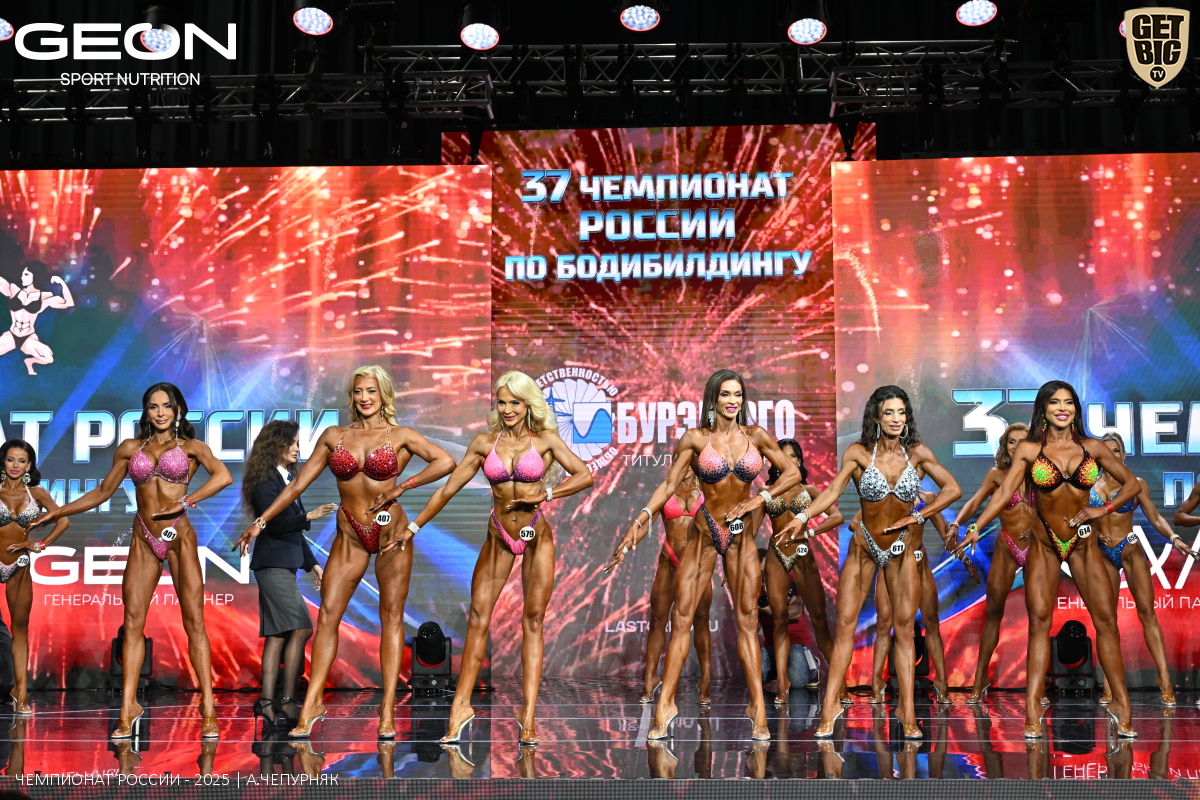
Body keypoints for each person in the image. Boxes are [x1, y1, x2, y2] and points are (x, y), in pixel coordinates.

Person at [235, 365, 455, 739]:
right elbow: (295, 487)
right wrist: (260, 522)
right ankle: (312, 704)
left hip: (391, 533)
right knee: (327, 616)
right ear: (351, 396)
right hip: (350, 534)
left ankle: (388, 710)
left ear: (383, 395)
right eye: (357, 391)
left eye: (371, 391)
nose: (364, 398)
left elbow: (445, 462)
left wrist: (403, 487)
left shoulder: (401, 435)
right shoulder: (334, 436)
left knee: (391, 618)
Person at [31, 383, 233, 739]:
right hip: (143, 537)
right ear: (146, 412)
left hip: (179, 537)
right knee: (133, 622)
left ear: (178, 411)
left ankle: (208, 707)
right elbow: (102, 492)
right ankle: (128, 707)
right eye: (153, 406)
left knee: (194, 622)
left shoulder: (192, 448)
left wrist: (185, 502)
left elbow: (224, 476)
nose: (160, 412)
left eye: (166, 406)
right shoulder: (130, 449)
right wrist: (58, 512)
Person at [403, 370, 593, 745]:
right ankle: (461, 707)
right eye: (502, 402)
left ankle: (528, 714)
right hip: (499, 536)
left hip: (536, 534)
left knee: (533, 621)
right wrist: (413, 527)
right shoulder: (483, 443)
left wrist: (545, 494)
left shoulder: (546, 440)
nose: (507, 409)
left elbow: (584, 475)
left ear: (528, 405)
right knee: (477, 617)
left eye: (514, 403)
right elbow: (447, 490)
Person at [610, 369, 801, 741]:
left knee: (747, 620)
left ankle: (758, 708)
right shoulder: (696, 438)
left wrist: (759, 500)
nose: (733, 401)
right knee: (682, 617)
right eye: (726, 394)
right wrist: (641, 518)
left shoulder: (756, 436)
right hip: (704, 530)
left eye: (738, 394)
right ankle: (666, 705)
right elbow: (669, 484)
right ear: (713, 398)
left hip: (740, 535)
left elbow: (791, 472)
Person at [956, 380, 1141, 739]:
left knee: (1106, 620)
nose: (1062, 408)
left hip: (1082, 543)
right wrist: (976, 526)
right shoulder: (1029, 450)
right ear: (1043, 408)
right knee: (1039, 622)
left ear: (1075, 409)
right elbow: (1004, 493)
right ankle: (1032, 711)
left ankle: (1121, 704)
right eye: (1055, 402)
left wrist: (1101, 509)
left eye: (1068, 402)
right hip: (1044, 543)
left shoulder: (1092, 447)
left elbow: (1131, 484)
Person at [778, 384, 961, 740]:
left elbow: (952, 489)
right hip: (864, 548)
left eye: (901, 412)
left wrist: (919, 516)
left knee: (904, 630)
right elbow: (832, 492)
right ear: (876, 417)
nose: (896, 419)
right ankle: (830, 707)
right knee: (846, 626)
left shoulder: (918, 453)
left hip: (900, 550)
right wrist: (803, 518)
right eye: (889, 412)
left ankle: (907, 712)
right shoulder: (859, 453)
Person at [243, 420, 338, 731]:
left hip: (284, 565)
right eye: (293, 443)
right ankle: (286, 699)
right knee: (301, 628)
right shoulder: (264, 482)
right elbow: (273, 523)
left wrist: (314, 566)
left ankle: (267, 701)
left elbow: (295, 533)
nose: (298, 448)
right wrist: (309, 516)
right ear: (277, 444)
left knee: (277, 635)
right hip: (271, 565)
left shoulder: (288, 480)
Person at [1091, 432, 1194, 707]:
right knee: (1106, 621)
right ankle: (1109, 683)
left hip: (1130, 549)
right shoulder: (1088, 485)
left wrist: (1174, 538)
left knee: (1147, 613)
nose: (1112, 455)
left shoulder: (1136, 484)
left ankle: (1164, 679)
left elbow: (1155, 516)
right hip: (1101, 554)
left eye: (1116, 450)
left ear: (1124, 454)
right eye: (1106, 450)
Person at [949, 423, 1036, 704]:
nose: (1017, 446)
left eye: (1023, 441)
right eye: (1012, 441)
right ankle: (979, 680)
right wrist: (957, 523)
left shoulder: (1042, 476)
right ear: (1005, 447)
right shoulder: (997, 475)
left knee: (1038, 617)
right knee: (993, 613)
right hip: (1007, 546)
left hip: (1037, 548)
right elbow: (975, 501)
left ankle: (1038, 686)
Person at [625, 465, 714, 706]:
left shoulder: (707, 491)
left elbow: (718, 525)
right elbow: (646, 523)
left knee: (701, 620)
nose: (683, 466)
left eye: (687, 462)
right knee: (657, 620)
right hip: (669, 560)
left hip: (697, 563)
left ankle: (705, 681)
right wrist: (625, 546)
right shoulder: (666, 491)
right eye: (677, 461)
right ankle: (650, 679)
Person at [762, 438, 842, 705]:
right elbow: (749, 531)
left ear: (800, 461)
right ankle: (782, 687)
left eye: (794, 456)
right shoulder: (766, 492)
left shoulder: (809, 490)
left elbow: (837, 516)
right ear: (774, 462)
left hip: (802, 553)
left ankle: (839, 685)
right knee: (779, 620)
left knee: (819, 619)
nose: (789, 460)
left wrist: (809, 532)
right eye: (783, 456)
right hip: (776, 554)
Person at [857, 489, 955, 705]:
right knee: (884, 623)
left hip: (919, 566)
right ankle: (876, 684)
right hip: (890, 564)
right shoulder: (883, 496)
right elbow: (858, 524)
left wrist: (963, 551)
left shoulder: (927, 498)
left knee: (932, 621)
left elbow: (945, 533)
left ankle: (942, 683)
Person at [0, 439, 70, 714]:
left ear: (29, 465)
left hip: (19, 563)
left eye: (21, 461)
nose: (15, 465)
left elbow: (63, 520)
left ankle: (21, 691)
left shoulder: (37, 493)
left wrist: (39, 545)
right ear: (3, 462)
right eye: (10, 459)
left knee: (19, 628)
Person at [0, 260, 75, 375]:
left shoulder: (44, 296)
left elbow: (68, 303)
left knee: (48, 359)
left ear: (34, 275)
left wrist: (62, 283)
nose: (22, 277)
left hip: (28, 338)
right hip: (11, 335)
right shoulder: (14, 289)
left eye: (26, 274)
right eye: (22, 274)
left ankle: (29, 361)